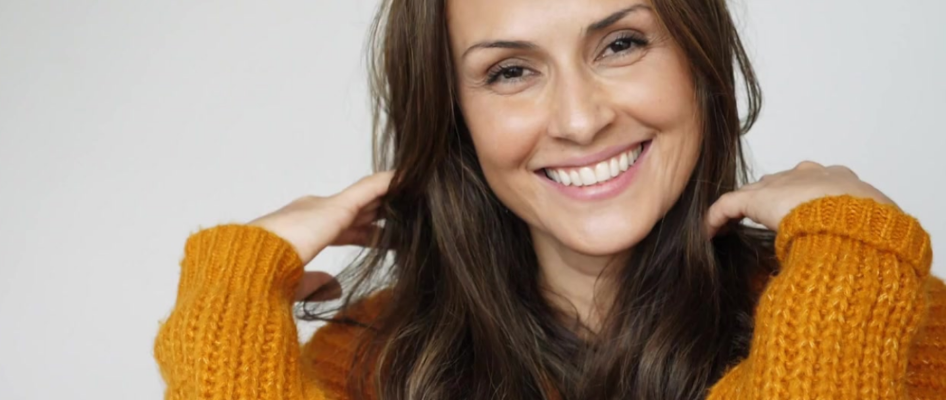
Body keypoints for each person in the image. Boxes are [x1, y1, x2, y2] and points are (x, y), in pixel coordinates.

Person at [153, 0, 946, 398]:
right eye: (511, 71)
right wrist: (230, 296)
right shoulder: (370, 365)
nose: (579, 119)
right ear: (456, 117)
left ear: (698, 62)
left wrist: (848, 282)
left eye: (622, 44)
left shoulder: (902, 325)